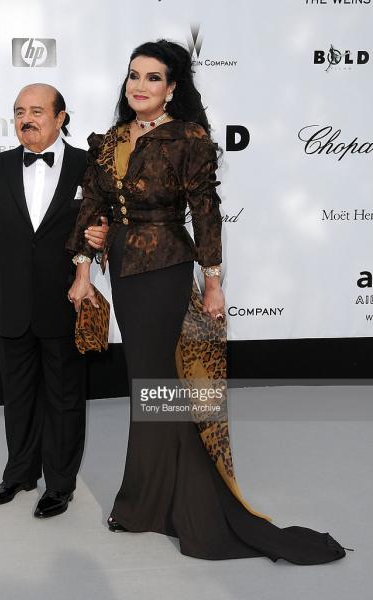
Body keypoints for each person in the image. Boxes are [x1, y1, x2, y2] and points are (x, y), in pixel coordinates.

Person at [66, 41, 351, 563]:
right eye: (134, 75)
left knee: (159, 385)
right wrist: (83, 269)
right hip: (124, 270)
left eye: (153, 78)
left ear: (172, 88)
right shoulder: (111, 140)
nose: (139, 86)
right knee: (147, 385)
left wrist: (213, 281)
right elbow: (93, 206)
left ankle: (187, 506)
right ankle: (146, 502)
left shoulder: (188, 138)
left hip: (166, 269)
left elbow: (206, 212)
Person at [0, 83, 108, 519]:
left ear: (61, 117)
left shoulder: (88, 166)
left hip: (65, 300)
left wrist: (103, 236)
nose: (27, 119)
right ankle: (20, 473)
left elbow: (105, 224)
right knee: (18, 395)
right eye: (20, 111)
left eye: (37, 111)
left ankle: (59, 484)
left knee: (64, 397)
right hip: (11, 302)